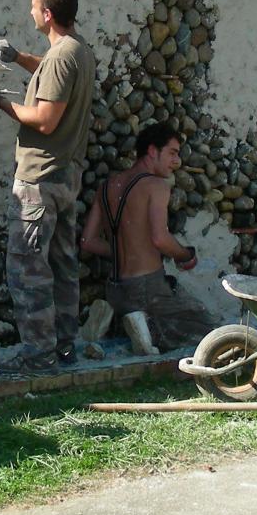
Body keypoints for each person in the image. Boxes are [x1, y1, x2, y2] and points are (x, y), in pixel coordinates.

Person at [0, 0, 96, 374]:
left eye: (33, 7)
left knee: (29, 270)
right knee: (62, 266)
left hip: (39, 179)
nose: (30, 13)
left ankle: (37, 355)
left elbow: (45, 120)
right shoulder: (77, 51)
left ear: (47, 15)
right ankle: (63, 348)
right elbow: (49, 70)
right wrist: (17, 57)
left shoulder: (62, 58)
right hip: (65, 177)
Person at [80, 122, 214, 354]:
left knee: (140, 310)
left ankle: (108, 322)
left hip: (114, 287)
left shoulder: (107, 186)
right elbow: (160, 239)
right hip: (146, 287)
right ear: (153, 151)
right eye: (172, 153)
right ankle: (147, 330)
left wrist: (125, 249)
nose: (176, 161)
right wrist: (186, 255)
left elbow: (87, 241)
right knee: (204, 328)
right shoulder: (156, 186)